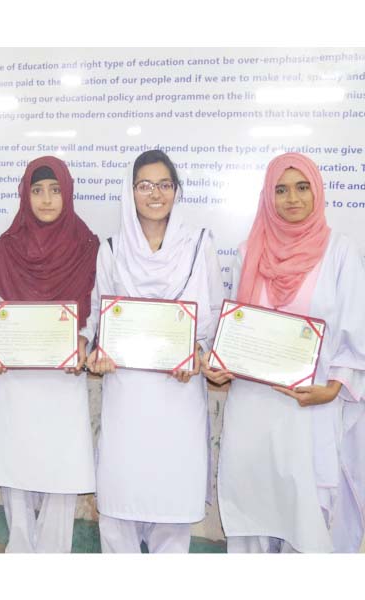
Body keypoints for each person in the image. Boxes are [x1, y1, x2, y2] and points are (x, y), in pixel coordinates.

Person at [202, 152, 365, 553]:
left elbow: (355, 327)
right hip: (253, 409)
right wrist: (222, 365)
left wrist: (335, 386)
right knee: (254, 515)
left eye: (301, 187)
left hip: (308, 409)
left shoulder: (339, 252)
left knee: (306, 522)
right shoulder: (249, 251)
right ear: (267, 197)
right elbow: (237, 325)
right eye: (281, 189)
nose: (291, 198)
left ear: (317, 191)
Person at [84, 149, 225, 553]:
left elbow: (213, 311)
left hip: (178, 393)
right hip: (127, 392)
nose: (155, 194)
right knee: (119, 503)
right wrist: (98, 351)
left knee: (172, 506)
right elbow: (99, 311)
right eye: (145, 185)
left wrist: (195, 352)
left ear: (176, 190)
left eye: (164, 184)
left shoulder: (199, 244)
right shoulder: (111, 249)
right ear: (131, 192)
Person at [0, 156, 98, 552]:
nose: (46, 199)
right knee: (17, 467)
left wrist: (84, 339)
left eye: (55, 190)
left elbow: (95, 309)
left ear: (68, 192)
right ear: (24, 195)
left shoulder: (87, 244)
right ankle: (20, 554)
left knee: (60, 471)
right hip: (16, 376)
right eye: (37, 190)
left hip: (63, 377)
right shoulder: (8, 246)